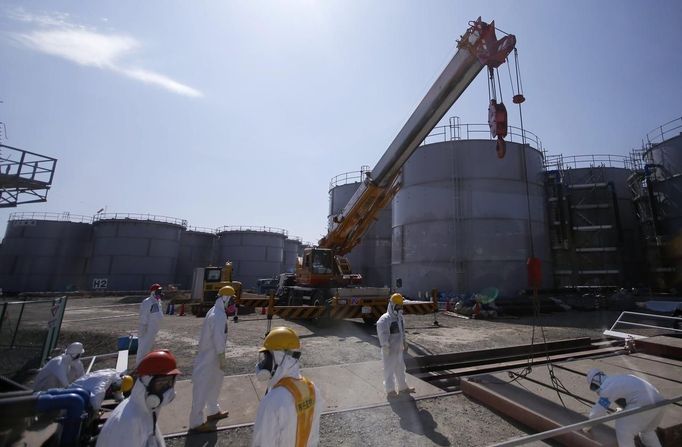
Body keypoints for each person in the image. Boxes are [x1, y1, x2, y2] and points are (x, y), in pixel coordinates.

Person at [252, 326, 323, 447]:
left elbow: (263, 442)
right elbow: (313, 435)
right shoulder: (312, 389)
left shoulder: (272, 401)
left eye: (267, 357)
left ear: (279, 357)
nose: (264, 363)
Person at [96, 350, 180, 447]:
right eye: (161, 384)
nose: (166, 390)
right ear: (145, 385)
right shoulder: (130, 422)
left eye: (169, 383)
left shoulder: (144, 410)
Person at [188, 285, 233, 432]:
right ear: (225, 298)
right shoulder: (217, 315)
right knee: (202, 388)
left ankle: (213, 411)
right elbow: (219, 338)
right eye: (232, 299)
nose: (233, 303)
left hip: (214, 357)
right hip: (208, 358)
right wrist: (221, 356)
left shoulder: (218, 312)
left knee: (215, 384)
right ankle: (196, 422)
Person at [585, 368, 665, 447]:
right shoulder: (618, 379)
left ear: (595, 383)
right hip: (660, 402)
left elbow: (597, 413)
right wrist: (623, 410)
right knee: (647, 432)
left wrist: (586, 427)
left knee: (623, 428)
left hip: (646, 403)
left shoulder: (607, 388)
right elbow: (633, 395)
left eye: (593, 387)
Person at [376, 293, 415, 399]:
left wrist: (404, 342)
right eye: (398, 306)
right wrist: (385, 346)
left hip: (398, 349)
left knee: (401, 368)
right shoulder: (384, 319)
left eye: (401, 306)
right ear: (392, 305)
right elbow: (383, 334)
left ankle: (403, 387)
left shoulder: (400, 318)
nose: (400, 308)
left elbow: (402, 332)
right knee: (389, 370)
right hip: (389, 350)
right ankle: (390, 391)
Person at [68, 368, 134, 411]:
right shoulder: (105, 380)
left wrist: (121, 401)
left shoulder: (116, 377)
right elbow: (96, 400)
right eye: (118, 388)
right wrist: (97, 411)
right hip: (74, 393)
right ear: (118, 381)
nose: (117, 390)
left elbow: (118, 390)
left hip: (82, 391)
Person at [136, 283, 164, 367]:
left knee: (149, 349)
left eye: (161, 291)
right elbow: (143, 316)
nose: (160, 293)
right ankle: (139, 367)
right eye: (158, 291)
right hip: (146, 330)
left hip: (153, 330)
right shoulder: (148, 302)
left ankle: (146, 366)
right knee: (143, 349)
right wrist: (143, 329)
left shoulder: (158, 302)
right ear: (153, 292)